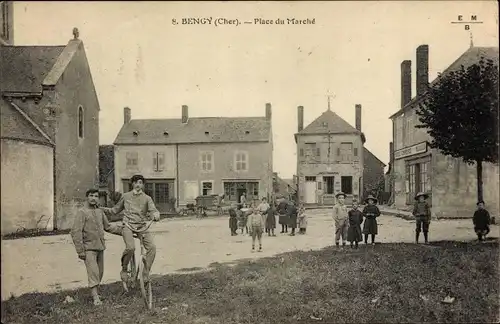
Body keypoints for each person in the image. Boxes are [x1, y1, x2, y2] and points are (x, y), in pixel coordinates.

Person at [101, 175, 160, 289]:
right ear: (132, 184)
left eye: (140, 183)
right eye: (136, 183)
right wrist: (101, 209)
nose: (138, 185)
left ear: (143, 185)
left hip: (141, 226)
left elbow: (153, 210)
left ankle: (145, 273)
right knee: (130, 248)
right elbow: (115, 210)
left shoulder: (147, 198)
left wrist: (156, 215)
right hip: (127, 225)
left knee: (152, 247)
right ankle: (124, 269)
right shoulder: (126, 196)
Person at [71, 189, 121, 306]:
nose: (94, 198)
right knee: (93, 272)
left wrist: (123, 231)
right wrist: (80, 250)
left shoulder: (99, 212)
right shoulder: (82, 212)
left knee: (99, 272)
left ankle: (96, 293)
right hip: (88, 248)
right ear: (87, 197)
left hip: (100, 247)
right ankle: (95, 298)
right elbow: (75, 232)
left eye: (96, 196)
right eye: (91, 196)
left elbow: (108, 227)